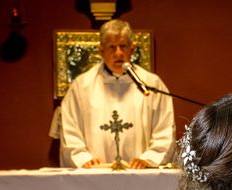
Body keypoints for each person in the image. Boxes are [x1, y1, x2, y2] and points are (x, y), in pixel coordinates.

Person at [60, 19, 175, 169]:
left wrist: (149, 159)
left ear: (132, 49)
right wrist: (84, 159)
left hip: (140, 173)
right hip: (95, 173)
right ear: (101, 51)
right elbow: (70, 129)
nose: (118, 53)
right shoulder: (81, 86)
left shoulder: (151, 84)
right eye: (112, 47)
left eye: (123, 46)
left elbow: (164, 128)